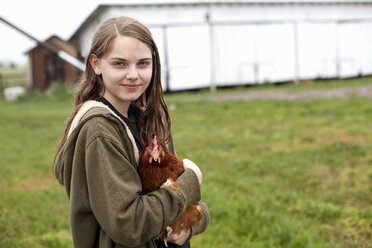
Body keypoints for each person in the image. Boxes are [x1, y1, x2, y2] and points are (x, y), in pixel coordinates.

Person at [53, 16, 209, 248]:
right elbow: (130, 224)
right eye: (120, 64)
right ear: (96, 64)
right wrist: (191, 181)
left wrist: (192, 223)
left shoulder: (146, 118)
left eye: (143, 63)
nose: (133, 74)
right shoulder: (100, 131)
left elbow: (179, 201)